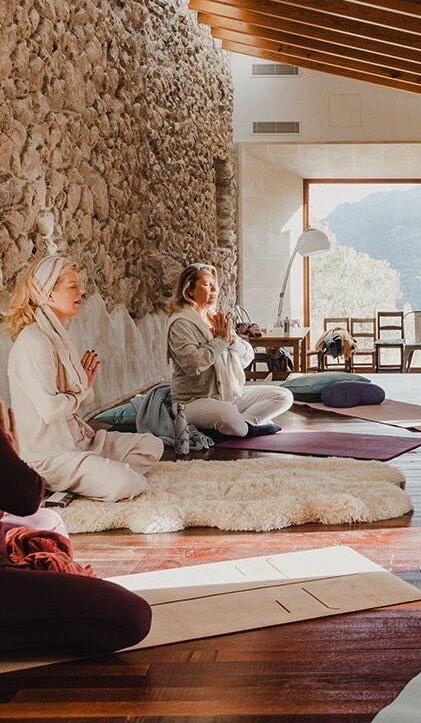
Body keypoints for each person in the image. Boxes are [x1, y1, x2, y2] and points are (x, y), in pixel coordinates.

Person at [6, 256, 163, 502]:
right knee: (125, 482)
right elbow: (51, 410)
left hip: (78, 444)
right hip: (49, 458)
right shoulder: (35, 341)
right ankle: (88, 477)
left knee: (152, 446)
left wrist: (82, 388)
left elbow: (75, 400)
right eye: (72, 286)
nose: (82, 291)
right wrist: (80, 392)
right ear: (48, 295)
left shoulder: (57, 336)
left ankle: (90, 476)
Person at [0, 402, 152, 653]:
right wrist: (13, 457)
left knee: (46, 520)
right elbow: (25, 497)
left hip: (72, 448)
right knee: (133, 616)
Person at [166, 263, 293, 437]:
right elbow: (193, 364)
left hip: (227, 395)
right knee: (227, 415)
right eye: (207, 285)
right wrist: (221, 340)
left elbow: (247, 357)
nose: (214, 289)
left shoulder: (215, 318)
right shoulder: (181, 323)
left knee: (284, 396)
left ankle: (243, 425)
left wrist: (231, 341)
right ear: (189, 292)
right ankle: (245, 427)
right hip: (193, 402)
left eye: (214, 284)